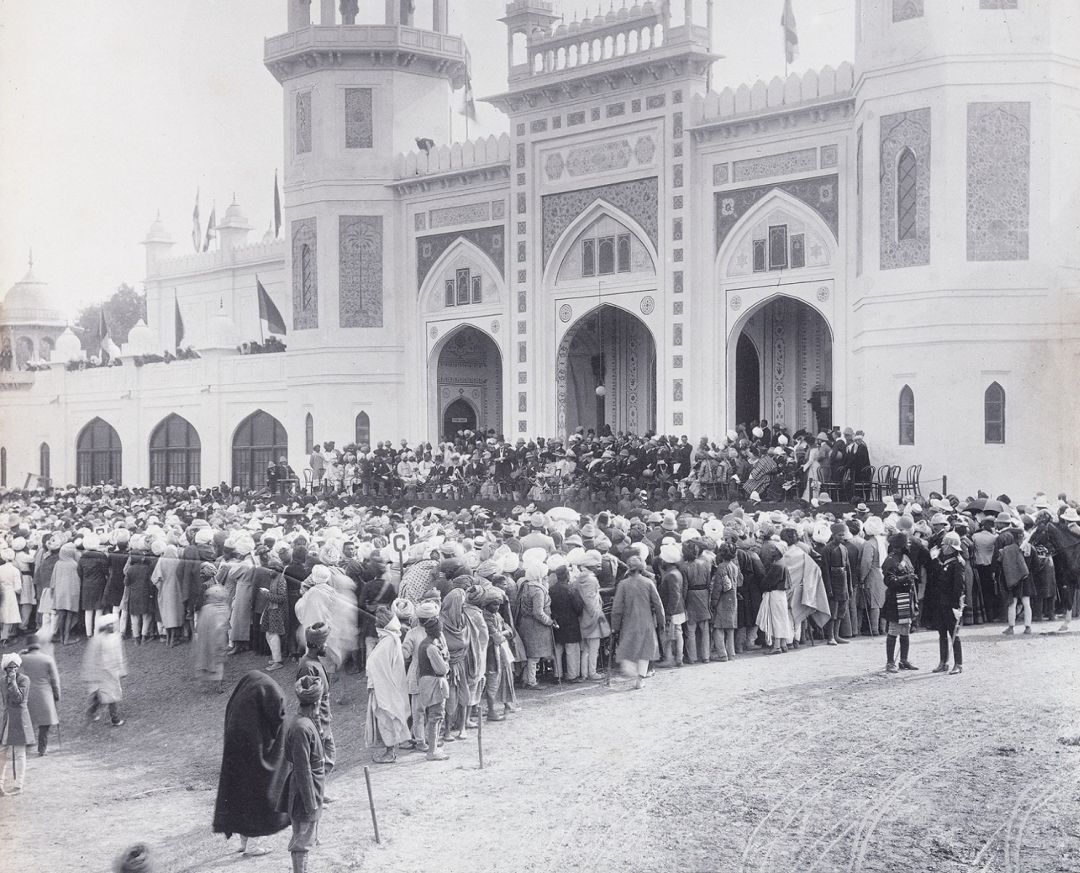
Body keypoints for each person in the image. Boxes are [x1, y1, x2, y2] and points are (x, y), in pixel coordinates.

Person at [212, 671, 290, 856]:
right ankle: (253, 845)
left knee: (240, 797)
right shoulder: (266, 695)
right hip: (252, 756)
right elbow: (278, 718)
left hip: (236, 755)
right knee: (256, 797)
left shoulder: (244, 700)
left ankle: (244, 842)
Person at [278, 675, 327, 873]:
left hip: (310, 787)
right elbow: (303, 768)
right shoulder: (301, 728)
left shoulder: (304, 722)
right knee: (302, 841)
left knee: (305, 836)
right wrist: (310, 802)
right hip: (304, 791)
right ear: (316, 702)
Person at [365, 607, 412, 763]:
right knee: (387, 717)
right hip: (385, 685)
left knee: (386, 718)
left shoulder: (388, 642)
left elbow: (379, 666)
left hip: (385, 686)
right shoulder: (391, 638)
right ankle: (392, 748)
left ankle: (390, 752)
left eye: (379, 621)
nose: (376, 623)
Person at [611, 556, 666, 689]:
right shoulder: (648, 582)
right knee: (645, 650)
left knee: (629, 648)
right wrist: (661, 621)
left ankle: (631, 671)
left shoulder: (623, 585)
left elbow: (617, 608)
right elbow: (658, 604)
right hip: (646, 621)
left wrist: (615, 626)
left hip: (629, 622)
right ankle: (640, 679)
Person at [296, 622, 335, 789]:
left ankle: (319, 791)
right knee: (319, 760)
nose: (326, 645)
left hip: (323, 718)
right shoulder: (307, 666)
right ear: (318, 644)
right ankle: (316, 793)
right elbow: (310, 700)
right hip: (315, 719)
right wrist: (318, 727)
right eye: (324, 643)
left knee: (327, 757)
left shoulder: (314, 661)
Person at [415, 606, 451, 761]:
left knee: (433, 716)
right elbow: (442, 669)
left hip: (426, 682)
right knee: (436, 716)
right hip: (434, 683)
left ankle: (433, 746)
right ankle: (432, 750)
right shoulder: (431, 647)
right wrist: (447, 664)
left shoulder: (425, 644)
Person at [927, 532, 966, 675]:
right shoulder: (943, 559)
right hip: (939, 601)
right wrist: (934, 560)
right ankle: (943, 662)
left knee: (954, 633)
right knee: (942, 633)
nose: (942, 547)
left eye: (944, 545)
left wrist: (956, 605)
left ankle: (958, 663)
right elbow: (936, 576)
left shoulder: (957, 562)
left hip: (950, 603)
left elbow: (959, 586)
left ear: (950, 546)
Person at [882, 534, 919, 674]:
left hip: (906, 597)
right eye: (907, 543)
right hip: (895, 599)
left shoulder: (905, 558)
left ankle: (904, 660)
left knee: (905, 629)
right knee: (893, 630)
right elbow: (889, 581)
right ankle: (890, 662)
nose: (909, 545)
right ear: (900, 545)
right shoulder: (890, 560)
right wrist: (905, 578)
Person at [82, 613, 126, 726]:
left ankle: (91, 712)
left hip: (112, 671)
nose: (112, 626)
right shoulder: (97, 640)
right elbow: (91, 658)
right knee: (110, 696)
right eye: (109, 625)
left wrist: (122, 669)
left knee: (106, 695)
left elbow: (119, 654)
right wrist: (91, 674)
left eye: (113, 624)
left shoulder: (116, 637)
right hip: (102, 672)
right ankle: (115, 719)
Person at [19, 635, 60, 756]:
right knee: (45, 723)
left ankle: (26, 746)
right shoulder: (47, 659)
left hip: (27, 693)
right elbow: (54, 679)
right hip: (44, 693)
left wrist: (20, 652)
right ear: (39, 646)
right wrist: (57, 694)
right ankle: (42, 749)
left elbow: (10, 664)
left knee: (28, 721)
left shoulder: (22, 658)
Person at [1, 653, 34, 795]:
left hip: (20, 719)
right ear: (5, 669)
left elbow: (19, 698)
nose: (13, 670)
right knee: (3, 752)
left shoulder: (24, 680)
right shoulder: (2, 681)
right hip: (8, 719)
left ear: (18, 667)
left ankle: (18, 786)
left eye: (15, 667)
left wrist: (13, 682)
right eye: (9, 668)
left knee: (19, 753)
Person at [194, 583, 230, 692]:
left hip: (206, 641)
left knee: (204, 660)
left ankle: (203, 684)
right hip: (218, 640)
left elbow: (199, 625)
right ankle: (217, 686)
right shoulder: (224, 608)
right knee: (218, 662)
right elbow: (223, 625)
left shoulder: (206, 609)